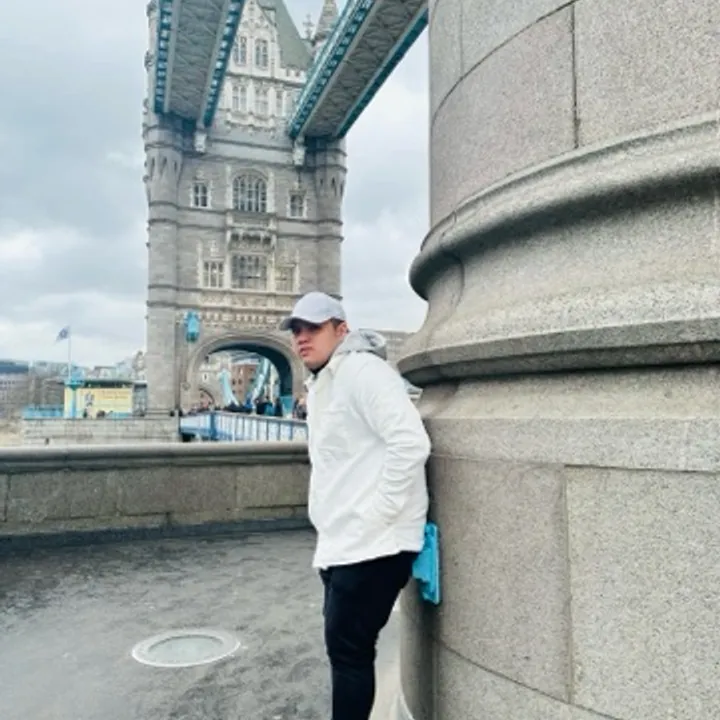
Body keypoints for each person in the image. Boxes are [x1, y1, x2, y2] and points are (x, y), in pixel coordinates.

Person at [280, 291, 431, 720]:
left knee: (349, 654)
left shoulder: (363, 372)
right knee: (346, 651)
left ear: (341, 330)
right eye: (296, 329)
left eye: (313, 327)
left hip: (374, 544)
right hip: (343, 542)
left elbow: (411, 443)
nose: (302, 337)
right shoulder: (325, 382)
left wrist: (377, 515)